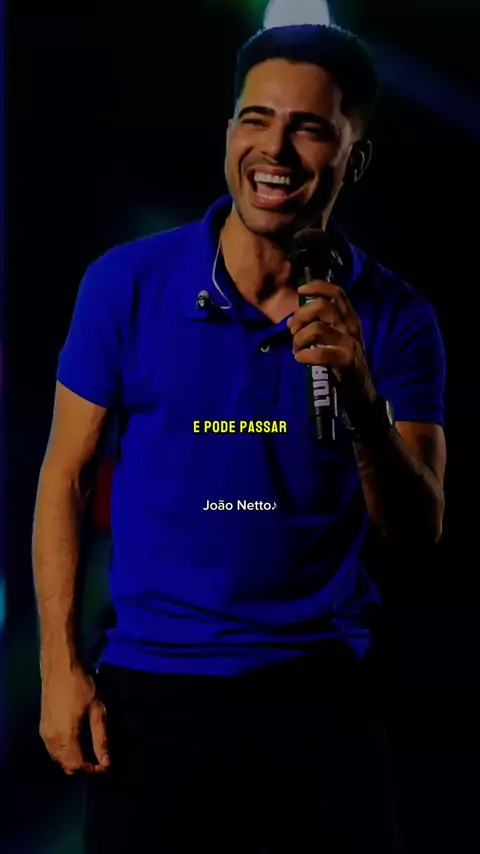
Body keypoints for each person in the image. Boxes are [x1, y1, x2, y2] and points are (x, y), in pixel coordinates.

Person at [33, 23, 446, 854]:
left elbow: (416, 528)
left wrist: (362, 401)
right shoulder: (126, 283)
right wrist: (60, 666)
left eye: (310, 128)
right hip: (152, 690)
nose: (276, 150)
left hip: (320, 694)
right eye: (256, 119)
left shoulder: (399, 318)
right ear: (229, 133)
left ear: (355, 156)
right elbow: (66, 478)